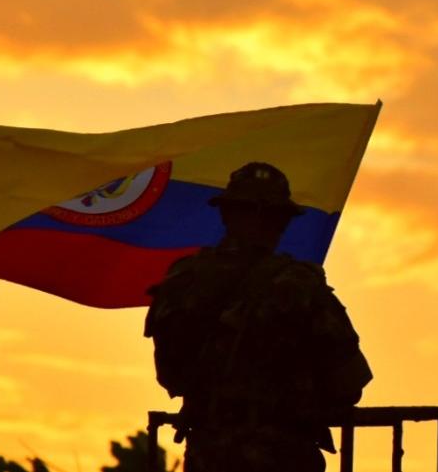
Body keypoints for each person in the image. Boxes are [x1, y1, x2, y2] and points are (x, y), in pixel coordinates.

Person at [146, 162, 372, 472]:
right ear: (281, 222)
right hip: (283, 456)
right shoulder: (299, 285)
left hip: (208, 456)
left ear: (226, 214)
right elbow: (348, 383)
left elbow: (169, 376)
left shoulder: (183, 280)